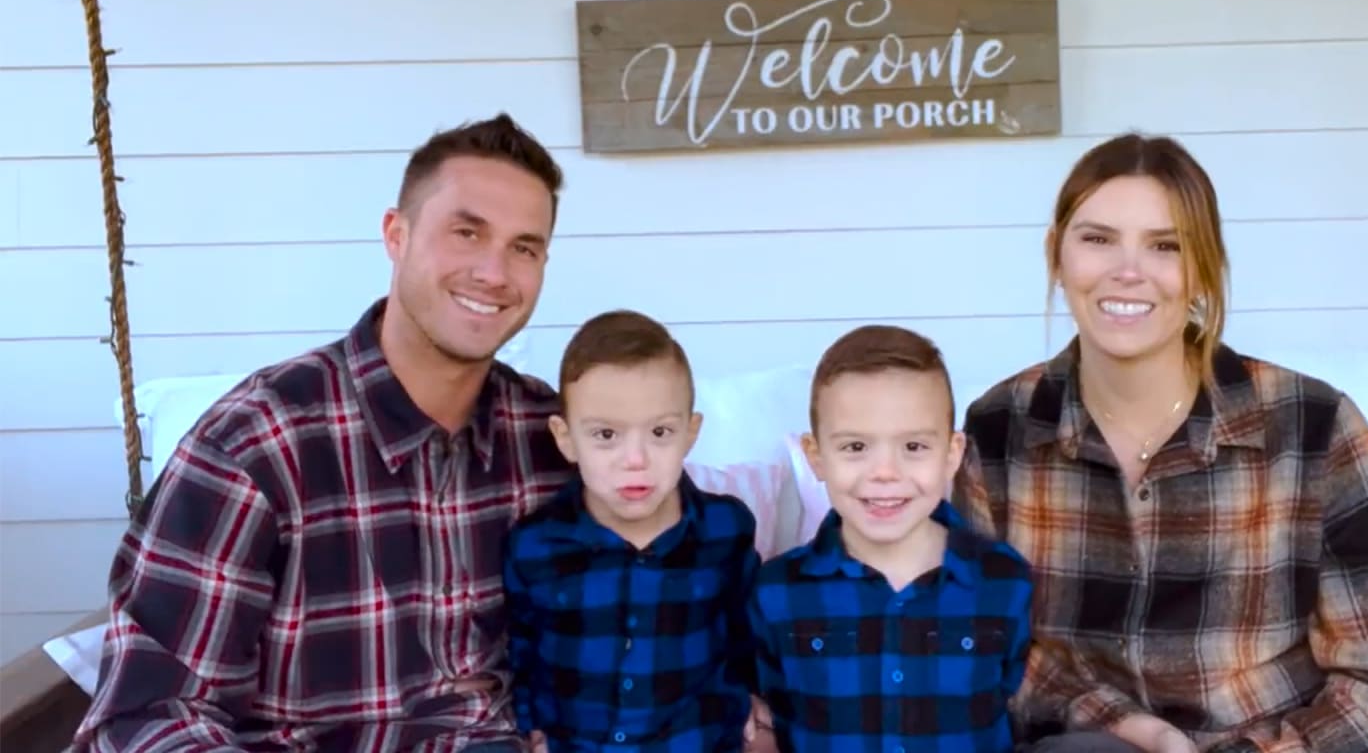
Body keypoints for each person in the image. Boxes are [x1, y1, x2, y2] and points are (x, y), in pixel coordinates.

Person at [73, 114, 575, 753]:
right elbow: (150, 713)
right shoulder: (257, 445)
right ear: (396, 234)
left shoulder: (552, 439)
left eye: (523, 247)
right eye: (467, 232)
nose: (494, 272)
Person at [953, 133, 1368, 753]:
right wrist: (1130, 727)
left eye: (1166, 245)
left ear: (1203, 270)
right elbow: (979, 649)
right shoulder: (999, 428)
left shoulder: (1314, 426)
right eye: (1097, 239)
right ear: (1057, 255)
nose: (1127, 270)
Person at [748, 325, 1095, 753]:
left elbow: (1015, 692)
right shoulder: (777, 590)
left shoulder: (1003, 579)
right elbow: (766, 715)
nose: (885, 472)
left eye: (913, 446)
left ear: (952, 454)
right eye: (856, 447)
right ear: (815, 456)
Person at [501, 309, 760, 753]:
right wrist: (528, 722)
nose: (635, 459)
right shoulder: (536, 544)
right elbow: (519, 648)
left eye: (660, 431)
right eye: (606, 435)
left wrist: (752, 696)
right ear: (565, 439)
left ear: (690, 433)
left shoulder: (725, 529)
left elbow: (746, 630)